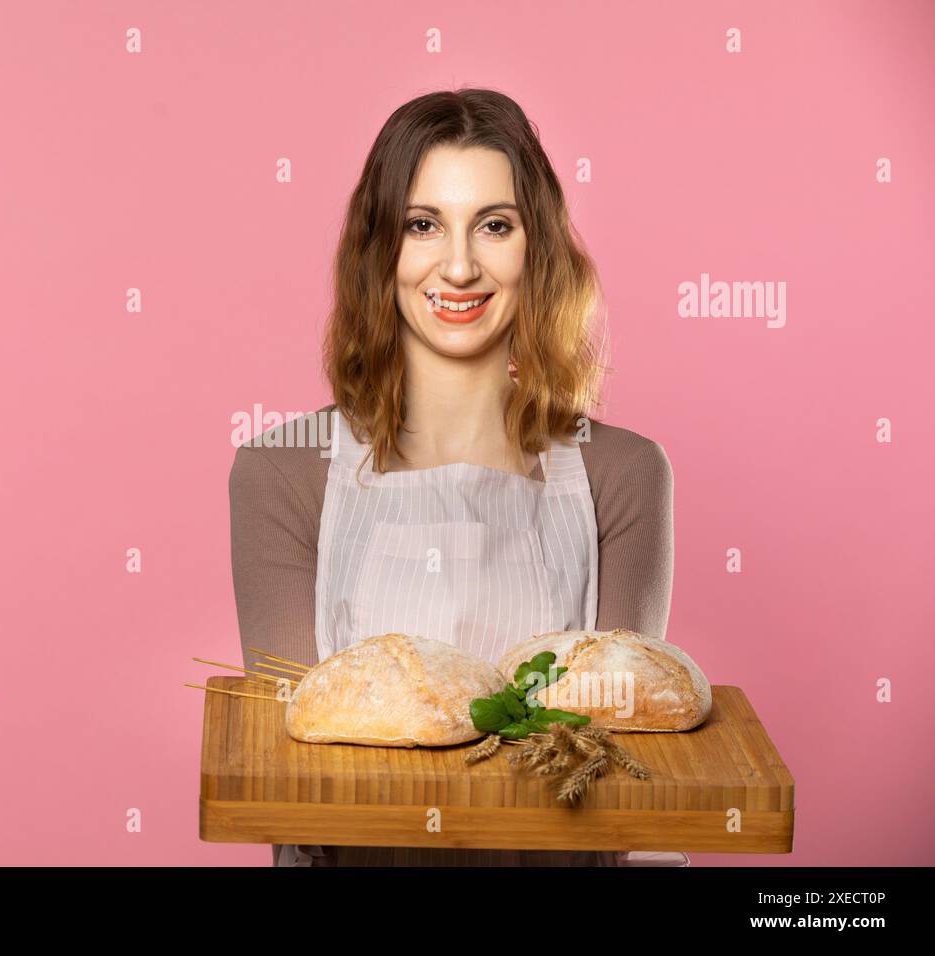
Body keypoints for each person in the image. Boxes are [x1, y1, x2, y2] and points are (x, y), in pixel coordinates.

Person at [228, 88, 689, 867]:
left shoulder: (623, 472)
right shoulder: (283, 471)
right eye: (423, 225)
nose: (461, 265)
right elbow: (296, 776)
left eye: (496, 226)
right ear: (382, 248)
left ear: (536, 249)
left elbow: (614, 756)